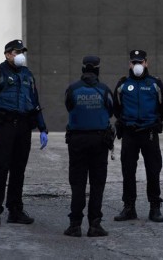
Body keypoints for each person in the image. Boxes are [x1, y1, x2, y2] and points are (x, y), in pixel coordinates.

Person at [0, 39, 48, 227]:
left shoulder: (28, 75)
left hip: (23, 128)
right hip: (4, 127)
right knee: (0, 168)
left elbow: (35, 103)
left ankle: (15, 210)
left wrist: (43, 128)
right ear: (8, 54)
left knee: (19, 170)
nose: (21, 56)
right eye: (17, 52)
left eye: (22, 52)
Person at [113, 50, 163, 223]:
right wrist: (124, 121)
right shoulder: (123, 84)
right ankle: (129, 207)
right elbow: (116, 107)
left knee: (153, 171)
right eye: (134, 62)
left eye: (141, 61)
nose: (137, 65)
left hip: (149, 133)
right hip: (129, 133)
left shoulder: (156, 84)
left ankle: (155, 207)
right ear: (129, 64)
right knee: (128, 172)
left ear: (147, 63)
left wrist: (154, 121)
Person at [63, 55, 114, 238]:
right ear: (98, 69)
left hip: (77, 141)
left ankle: (75, 225)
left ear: (83, 68)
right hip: (99, 141)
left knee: (77, 184)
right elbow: (111, 109)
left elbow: (69, 107)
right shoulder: (104, 89)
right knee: (97, 184)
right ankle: (95, 225)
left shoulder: (73, 89)